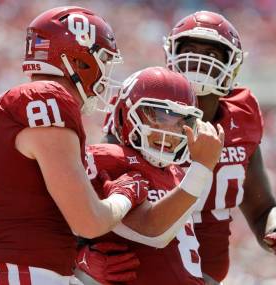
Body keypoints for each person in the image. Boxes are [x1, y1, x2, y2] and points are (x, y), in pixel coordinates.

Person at [0, 6, 149, 285]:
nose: (105, 73)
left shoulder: (6, 104)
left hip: (27, 271)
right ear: (77, 59)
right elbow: (88, 221)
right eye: (102, 59)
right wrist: (125, 194)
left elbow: (34, 210)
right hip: (27, 274)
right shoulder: (47, 98)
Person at [163, 11, 276, 284]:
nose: (199, 60)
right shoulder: (146, 104)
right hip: (148, 268)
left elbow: (262, 207)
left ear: (231, 65)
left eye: (212, 54)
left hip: (209, 275)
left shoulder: (242, 115)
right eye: (189, 50)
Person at [74, 66, 225, 285]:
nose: (170, 132)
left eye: (181, 122)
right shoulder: (109, 158)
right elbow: (154, 232)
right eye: (159, 116)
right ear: (126, 112)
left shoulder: (177, 174)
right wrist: (78, 258)